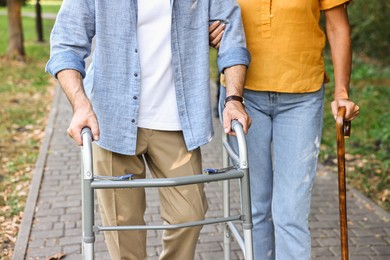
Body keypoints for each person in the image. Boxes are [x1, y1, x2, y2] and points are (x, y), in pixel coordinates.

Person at [46, 0, 251, 259]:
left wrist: (234, 99)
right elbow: (66, 43)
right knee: (123, 229)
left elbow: (232, 34)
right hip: (112, 120)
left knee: (189, 215)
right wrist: (80, 105)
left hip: (177, 121)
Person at [210, 1, 359, 259]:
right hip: (242, 96)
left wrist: (342, 92)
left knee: (291, 212)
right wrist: (208, 30)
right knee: (255, 207)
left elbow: (337, 26)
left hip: (302, 94)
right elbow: (197, 14)